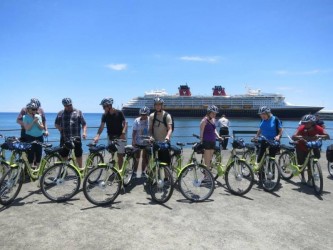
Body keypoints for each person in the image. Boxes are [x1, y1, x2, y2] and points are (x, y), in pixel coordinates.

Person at [292, 114, 330, 186]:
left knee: (311, 164)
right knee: (301, 163)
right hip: (301, 147)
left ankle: (310, 179)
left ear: (312, 123)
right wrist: (298, 137)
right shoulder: (301, 128)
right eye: (304, 122)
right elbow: (294, 136)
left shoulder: (318, 128)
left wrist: (320, 136)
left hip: (312, 147)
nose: (305, 124)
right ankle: (303, 178)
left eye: (308, 123)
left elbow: (327, 136)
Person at [93, 98, 127, 168]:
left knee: (120, 155)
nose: (103, 108)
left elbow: (125, 124)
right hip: (110, 137)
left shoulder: (119, 113)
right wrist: (97, 135)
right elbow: (101, 126)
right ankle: (114, 172)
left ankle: (120, 172)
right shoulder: (104, 115)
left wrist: (123, 133)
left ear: (109, 105)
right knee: (113, 155)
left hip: (120, 136)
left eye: (104, 106)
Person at [55, 98, 87, 169]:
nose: (69, 107)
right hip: (64, 138)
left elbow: (84, 124)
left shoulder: (79, 112)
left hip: (76, 138)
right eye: (67, 106)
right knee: (64, 154)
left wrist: (84, 132)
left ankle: (80, 169)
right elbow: (56, 124)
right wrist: (60, 128)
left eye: (70, 105)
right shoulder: (60, 113)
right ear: (64, 106)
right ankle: (64, 169)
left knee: (78, 154)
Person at [149, 97, 172, 165]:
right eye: (156, 104)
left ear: (162, 105)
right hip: (154, 142)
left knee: (165, 164)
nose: (158, 106)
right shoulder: (152, 116)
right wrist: (151, 136)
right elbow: (150, 129)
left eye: (159, 104)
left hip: (164, 143)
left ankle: (166, 176)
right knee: (152, 163)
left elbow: (170, 128)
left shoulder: (167, 116)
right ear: (154, 106)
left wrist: (167, 136)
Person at [22, 102, 45, 169]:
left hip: (39, 137)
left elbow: (42, 128)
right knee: (30, 154)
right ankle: (30, 170)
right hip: (30, 137)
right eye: (33, 109)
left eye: (36, 109)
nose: (35, 111)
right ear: (28, 109)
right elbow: (27, 128)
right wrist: (33, 121)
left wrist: (37, 122)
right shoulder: (25, 117)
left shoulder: (38, 116)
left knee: (39, 154)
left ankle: (38, 170)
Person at [199, 105, 222, 170]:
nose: (214, 115)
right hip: (207, 142)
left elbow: (214, 130)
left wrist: (218, 137)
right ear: (209, 113)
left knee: (210, 159)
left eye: (215, 114)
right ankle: (206, 176)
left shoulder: (213, 120)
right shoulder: (204, 121)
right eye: (213, 113)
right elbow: (201, 131)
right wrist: (201, 140)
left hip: (213, 141)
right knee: (207, 160)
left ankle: (208, 174)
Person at [132, 106, 150, 178]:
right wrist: (133, 141)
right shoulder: (136, 120)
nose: (143, 116)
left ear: (148, 114)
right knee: (137, 157)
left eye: (145, 114)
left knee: (146, 158)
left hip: (147, 142)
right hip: (138, 142)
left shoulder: (150, 120)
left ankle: (143, 171)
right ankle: (134, 172)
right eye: (142, 114)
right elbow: (134, 132)